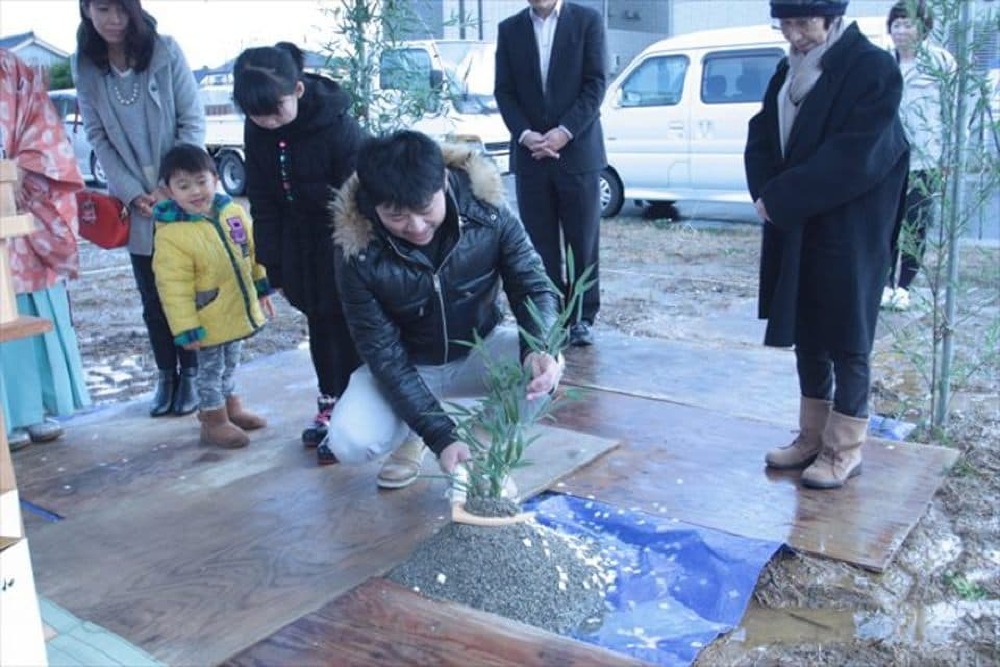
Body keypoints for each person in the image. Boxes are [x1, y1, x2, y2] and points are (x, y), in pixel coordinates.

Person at [323, 130, 563, 489]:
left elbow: (533, 285)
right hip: (407, 364)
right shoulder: (357, 250)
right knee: (348, 441)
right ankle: (414, 436)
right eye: (396, 215)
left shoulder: (488, 212)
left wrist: (536, 347)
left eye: (424, 209)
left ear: (444, 182)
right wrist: (440, 435)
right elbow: (383, 353)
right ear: (373, 206)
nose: (416, 227)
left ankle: (480, 445)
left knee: (549, 365)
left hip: (480, 346)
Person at [744, 0, 909, 489]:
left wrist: (782, 198)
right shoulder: (786, 68)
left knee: (847, 335)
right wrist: (765, 195)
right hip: (797, 219)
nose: (793, 35)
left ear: (832, 19)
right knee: (807, 326)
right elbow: (761, 136)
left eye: (803, 23)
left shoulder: (872, 69)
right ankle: (811, 436)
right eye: (785, 24)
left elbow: (855, 156)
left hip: (850, 225)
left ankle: (844, 448)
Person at [73, 0, 205, 418]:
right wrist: (131, 192)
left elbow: (192, 122)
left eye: (122, 9)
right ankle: (166, 374)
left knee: (188, 291)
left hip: (180, 194)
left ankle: (194, 375)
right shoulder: (87, 65)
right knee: (152, 297)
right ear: (87, 10)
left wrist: (174, 187)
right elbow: (97, 136)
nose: (113, 20)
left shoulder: (165, 51)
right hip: (138, 206)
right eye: (103, 8)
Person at [233, 42, 364, 459]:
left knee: (353, 326)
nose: (267, 123)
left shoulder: (338, 125)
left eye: (275, 111)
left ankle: (361, 411)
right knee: (320, 326)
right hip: (297, 243)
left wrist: (353, 256)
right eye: (256, 116)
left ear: (299, 92)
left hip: (342, 240)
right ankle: (330, 404)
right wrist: (271, 260)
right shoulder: (259, 128)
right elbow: (263, 197)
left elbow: (357, 197)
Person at [495, 0, 607, 347]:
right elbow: (505, 91)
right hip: (531, 155)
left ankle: (582, 317)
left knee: (583, 240)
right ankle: (548, 316)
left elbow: (596, 83)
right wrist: (526, 135)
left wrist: (564, 131)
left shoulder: (587, 20)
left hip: (578, 152)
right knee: (538, 245)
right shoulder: (510, 29)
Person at [152, 144, 274, 449]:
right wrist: (185, 327)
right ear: (168, 191)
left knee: (231, 360)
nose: (195, 191)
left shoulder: (231, 212)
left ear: (215, 179)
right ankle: (213, 418)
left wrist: (261, 286)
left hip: (236, 308)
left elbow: (252, 251)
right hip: (206, 316)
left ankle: (230, 407)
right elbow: (173, 286)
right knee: (210, 368)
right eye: (183, 185)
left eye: (201, 182)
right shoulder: (172, 234)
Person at [0, 49, 91, 451]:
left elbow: (41, 122)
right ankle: (6, 416)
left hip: (21, 192)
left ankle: (35, 409)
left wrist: (20, 168)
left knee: (28, 308)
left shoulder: (9, 65)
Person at [881, 0, 956, 312]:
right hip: (886, 159)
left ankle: (904, 286)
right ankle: (883, 283)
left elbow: (954, 114)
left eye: (907, 23)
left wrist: (948, 156)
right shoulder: (884, 62)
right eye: (896, 24)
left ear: (923, 27)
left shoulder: (941, 62)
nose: (901, 30)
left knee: (915, 224)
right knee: (885, 223)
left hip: (925, 159)